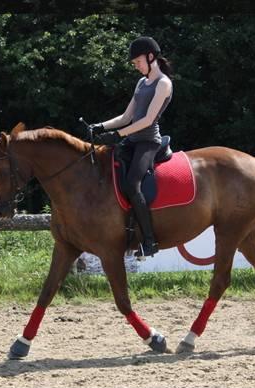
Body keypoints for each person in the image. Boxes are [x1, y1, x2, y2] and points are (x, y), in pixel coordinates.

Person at [91, 36, 173, 257]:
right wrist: (100, 126)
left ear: (150, 56)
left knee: (131, 184)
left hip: (148, 142)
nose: (135, 66)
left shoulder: (163, 83)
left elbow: (147, 120)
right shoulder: (141, 82)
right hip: (132, 140)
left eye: (137, 61)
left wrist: (116, 135)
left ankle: (149, 240)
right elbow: (127, 115)